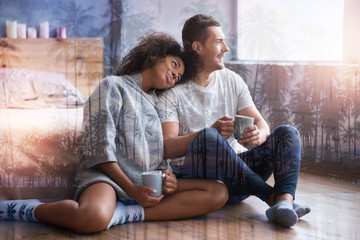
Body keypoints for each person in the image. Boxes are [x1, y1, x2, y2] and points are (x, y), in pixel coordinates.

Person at [0, 32, 228, 233]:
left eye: (178, 78)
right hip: (108, 178)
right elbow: (99, 148)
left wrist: (170, 181)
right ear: (158, 54)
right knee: (91, 218)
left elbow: (159, 152)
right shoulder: (112, 86)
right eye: (174, 65)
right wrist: (132, 190)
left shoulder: (158, 103)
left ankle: (122, 215)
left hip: (147, 183)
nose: (174, 76)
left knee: (219, 192)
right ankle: (27, 209)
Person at [155, 14, 310, 228]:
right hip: (203, 183)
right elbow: (166, 146)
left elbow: (261, 123)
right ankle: (273, 198)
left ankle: (284, 202)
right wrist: (209, 134)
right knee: (208, 137)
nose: (225, 48)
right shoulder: (173, 92)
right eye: (218, 42)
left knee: (287, 132)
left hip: (241, 179)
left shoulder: (231, 80)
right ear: (197, 47)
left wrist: (259, 134)